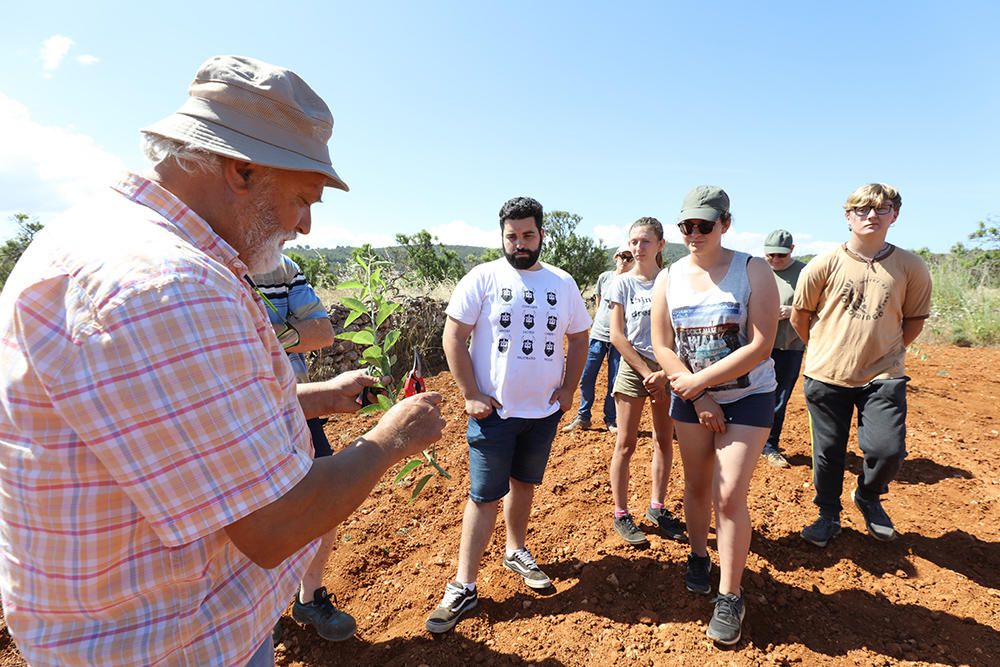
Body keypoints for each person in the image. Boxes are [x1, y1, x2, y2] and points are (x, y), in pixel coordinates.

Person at [0, 55, 445, 666]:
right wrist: (393, 438)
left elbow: (168, 425)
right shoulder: (166, 285)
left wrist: (315, 397)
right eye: (302, 198)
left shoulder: (101, 241)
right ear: (240, 170)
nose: (307, 226)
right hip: (170, 647)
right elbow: (274, 524)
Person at [426, 196, 590, 634]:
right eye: (512, 236)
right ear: (502, 236)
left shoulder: (563, 283)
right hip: (493, 414)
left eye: (528, 235)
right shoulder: (482, 278)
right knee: (483, 496)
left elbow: (580, 336)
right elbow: (453, 336)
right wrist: (471, 393)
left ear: (541, 235)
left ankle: (516, 550)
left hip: (543, 413)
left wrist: (570, 388)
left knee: (525, 484)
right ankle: (464, 585)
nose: (520, 243)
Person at [651, 185, 778, 646]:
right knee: (697, 484)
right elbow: (663, 344)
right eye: (687, 226)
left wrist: (702, 385)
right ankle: (699, 556)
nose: (694, 233)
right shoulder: (669, 278)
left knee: (728, 494)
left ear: (725, 223)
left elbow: (760, 344)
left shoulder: (753, 271)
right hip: (692, 395)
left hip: (747, 396)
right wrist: (697, 394)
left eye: (704, 225)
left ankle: (730, 594)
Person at [792, 183, 932, 548]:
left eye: (881, 209)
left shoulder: (911, 266)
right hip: (827, 374)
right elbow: (800, 315)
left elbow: (914, 319)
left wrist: (891, 350)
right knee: (828, 452)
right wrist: (823, 349)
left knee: (888, 451)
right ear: (848, 216)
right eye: (862, 210)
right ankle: (827, 513)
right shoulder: (823, 264)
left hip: (883, 374)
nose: (871, 216)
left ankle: (868, 496)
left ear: (894, 215)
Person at [252, 255, 356, 641]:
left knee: (324, 500)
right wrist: (289, 333)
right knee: (253, 508)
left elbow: (321, 331)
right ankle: (261, 611)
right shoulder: (207, 267)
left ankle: (309, 598)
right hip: (241, 415)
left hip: (300, 405)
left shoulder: (281, 268)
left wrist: (262, 335)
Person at [607, 219, 684, 546]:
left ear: (661, 245)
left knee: (663, 441)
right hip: (633, 366)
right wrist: (646, 373)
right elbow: (617, 335)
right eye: (634, 242)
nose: (638, 248)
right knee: (625, 443)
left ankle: (657, 507)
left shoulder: (673, 282)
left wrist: (664, 373)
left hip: (667, 367)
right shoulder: (622, 284)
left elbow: (681, 330)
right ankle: (621, 512)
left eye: (645, 242)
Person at [562, 244, 633, 433]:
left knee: (614, 380)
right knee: (586, 376)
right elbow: (600, 303)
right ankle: (583, 417)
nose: (625, 261)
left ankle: (611, 419)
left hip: (620, 339)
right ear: (615, 257)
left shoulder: (634, 282)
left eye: (629, 257)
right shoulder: (605, 277)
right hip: (598, 334)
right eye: (622, 256)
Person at [761, 230, 806, 468]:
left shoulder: (804, 272)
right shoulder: (758, 270)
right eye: (770, 255)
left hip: (789, 345)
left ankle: (769, 445)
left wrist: (792, 311)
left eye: (781, 255)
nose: (775, 260)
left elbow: (820, 306)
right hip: (758, 344)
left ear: (792, 250)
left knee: (779, 397)